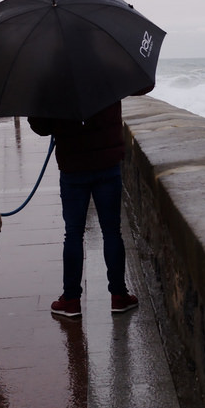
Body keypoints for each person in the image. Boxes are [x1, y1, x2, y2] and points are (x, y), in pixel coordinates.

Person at [28, 100, 138, 317]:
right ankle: (119, 296)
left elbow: (41, 127)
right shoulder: (107, 73)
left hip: (73, 167)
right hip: (107, 165)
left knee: (73, 234)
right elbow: (143, 87)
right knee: (112, 232)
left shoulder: (55, 82)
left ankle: (71, 300)